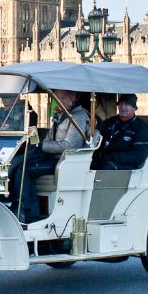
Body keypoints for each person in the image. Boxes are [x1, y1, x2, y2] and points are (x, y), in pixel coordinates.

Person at [13, 89, 90, 223]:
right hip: (51, 157)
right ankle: (15, 203)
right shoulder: (62, 115)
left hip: (64, 161)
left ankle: (29, 212)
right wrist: (37, 143)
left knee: (25, 169)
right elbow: (50, 138)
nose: (58, 102)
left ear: (72, 99)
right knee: (19, 162)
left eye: (62, 98)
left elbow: (70, 145)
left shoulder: (78, 117)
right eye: (57, 98)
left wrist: (42, 145)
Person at [92, 94, 148, 170]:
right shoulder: (108, 123)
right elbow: (97, 145)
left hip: (126, 166)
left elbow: (139, 155)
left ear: (134, 108)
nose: (123, 107)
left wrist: (112, 157)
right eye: (121, 104)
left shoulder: (141, 127)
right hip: (104, 160)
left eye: (127, 104)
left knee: (106, 168)